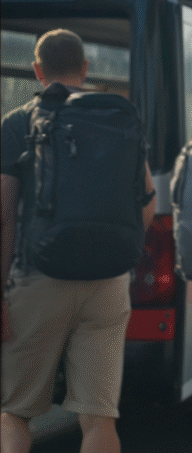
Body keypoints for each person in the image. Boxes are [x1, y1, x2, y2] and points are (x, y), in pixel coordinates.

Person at [1, 29, 156, 453]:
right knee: (99, 420)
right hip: (107, 281)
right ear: (85, 69)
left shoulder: (17, 122)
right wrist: (118, 250)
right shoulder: (117, 118)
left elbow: (3, 219)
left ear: (37, 71)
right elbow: (147, 200)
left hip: (39, 278)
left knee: (15, 415)